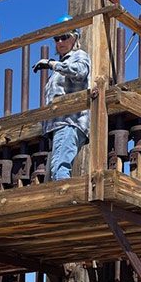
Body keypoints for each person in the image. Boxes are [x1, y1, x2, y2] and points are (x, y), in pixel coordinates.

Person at [33, 15, 91, 181]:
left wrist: (52, 63)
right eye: (57, 38)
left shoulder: (79, 56)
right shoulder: (61, 65)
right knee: (57, 170)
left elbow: (79, 72)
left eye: (64, 37)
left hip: (70, 122)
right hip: (59, 125)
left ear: (75, 37)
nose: (60, 42)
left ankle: (67, 203)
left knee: (60, 170)